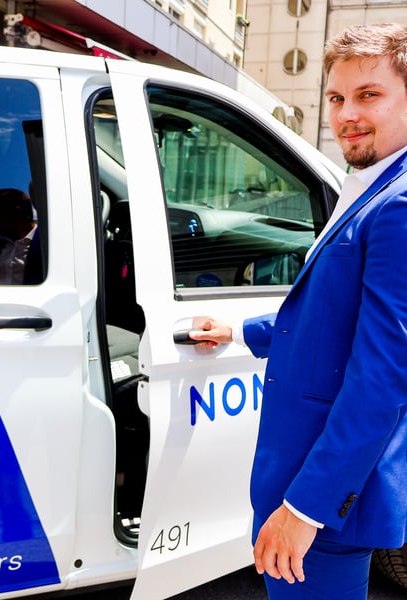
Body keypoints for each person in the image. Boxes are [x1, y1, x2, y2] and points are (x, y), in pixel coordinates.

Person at [190, 23, 407, 599]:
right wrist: (239, 329)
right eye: (336, 97)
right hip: (305, 472)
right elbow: (333, 321)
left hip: (326, 493)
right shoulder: (372, 185)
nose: (346, 115)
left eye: (369, 95)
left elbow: (382, 378)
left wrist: (306, 509)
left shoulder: (400, 205)